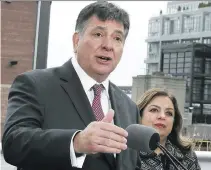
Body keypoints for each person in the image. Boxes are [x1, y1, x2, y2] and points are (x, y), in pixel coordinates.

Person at [2, 2, 141, 170]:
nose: (108, 45)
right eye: (98, 34)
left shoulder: (129, 107)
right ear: (76, 41)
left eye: (117, 38)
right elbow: (13, 143)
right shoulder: (35, 85)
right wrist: (76, 142)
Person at [136, 88, 201, 170]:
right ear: (139, 115)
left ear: (174, 121)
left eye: (169, 113)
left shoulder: (187, 156)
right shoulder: (125, 153)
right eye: (154, 110)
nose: (162, 116)